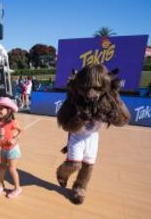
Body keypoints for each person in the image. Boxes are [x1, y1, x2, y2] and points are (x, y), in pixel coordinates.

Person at [56, 64, 130, 204]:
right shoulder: (73, 100)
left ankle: (80, 188)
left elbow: (123, 120)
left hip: (92, 137)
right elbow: (65, 125)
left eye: (96, 88)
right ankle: (61, 173)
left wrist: (113, 115)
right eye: (85, 88)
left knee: (88, 165)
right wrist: (80, 118)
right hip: (77, 136)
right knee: (74, 164)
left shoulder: (109, 99)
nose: (90, 94)